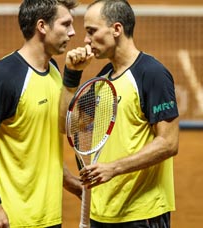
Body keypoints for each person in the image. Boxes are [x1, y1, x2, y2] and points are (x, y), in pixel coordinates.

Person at [61, 0, 180, 227]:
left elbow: (169, 142)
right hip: (101, 211)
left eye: (91, 31)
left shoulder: (152, 73)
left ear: (116, 29)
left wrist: (114, 168)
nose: (85, 40)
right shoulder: (103, 77)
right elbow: (69, 125)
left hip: (141, 214)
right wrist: (72, 76)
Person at [0, 0, 82, 227]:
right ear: (42, 26)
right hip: (9, 217)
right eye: (66, 24)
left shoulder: (54, 72)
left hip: (47, 215)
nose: (73, 32)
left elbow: (43, 144)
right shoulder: (2, 76)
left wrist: (70, 183)